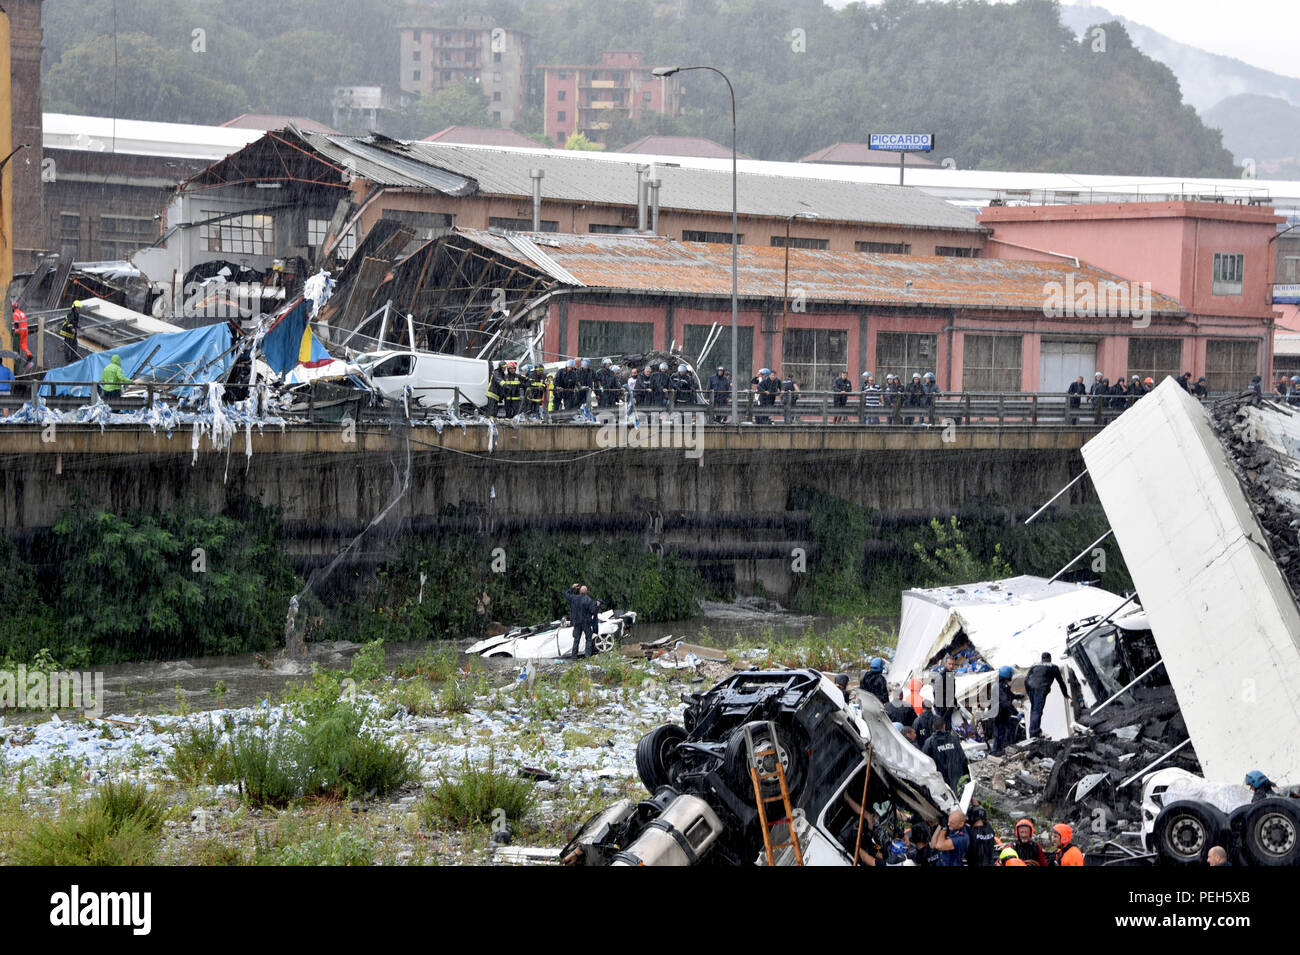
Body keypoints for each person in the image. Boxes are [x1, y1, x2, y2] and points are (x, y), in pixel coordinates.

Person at [1024, 651, 1069, 738]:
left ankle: (1033, 731)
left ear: (1042, 659)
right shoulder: (1053, 667)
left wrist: (1028, 692)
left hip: (1030, 688)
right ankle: (1034, 732)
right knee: (1037, 711)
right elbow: (1061, 682)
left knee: (1034, 710)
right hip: (1040, 689)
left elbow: (1026, 679)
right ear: (1050, 658)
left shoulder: (1034, 666)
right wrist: (1065, 694)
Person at [922, 716, 969, 794]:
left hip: (940, 781)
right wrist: (966, 774)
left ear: (933, 727)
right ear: (944, 725)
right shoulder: (954, 739)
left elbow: (925, 762)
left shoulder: (929, 742)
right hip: (956, 778)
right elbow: (963, 758)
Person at [990, 665, 1022, 755]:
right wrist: (1016, 713)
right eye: (1011, 674)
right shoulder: (998, 686)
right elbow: (1005, 702)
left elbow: (1010, 695)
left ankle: (1001, 751)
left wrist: (1019, 696)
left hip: (1002, 713)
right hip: (998, 714)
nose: (1011, 676)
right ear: (1007, 675)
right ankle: (996, 752)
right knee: (999, 734)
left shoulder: (1003, 685)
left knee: (1003, 733)